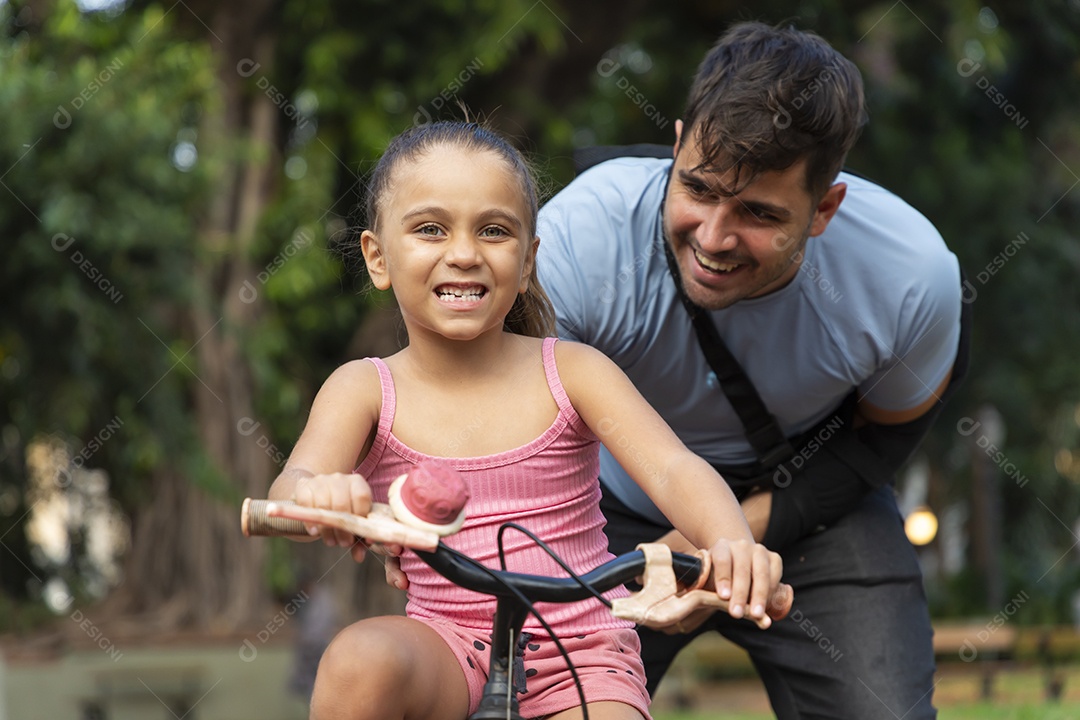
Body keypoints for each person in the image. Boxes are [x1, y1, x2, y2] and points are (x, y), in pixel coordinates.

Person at [267, 120, 787, 720]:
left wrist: (731, 544)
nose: (464, 254)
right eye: (431, 229)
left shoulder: (572, 371)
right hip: (448, 642)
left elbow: (673, 469)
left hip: (585, 651)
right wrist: (318, 495)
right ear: (377, 258)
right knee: (359, 660)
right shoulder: (363, 389)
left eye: (493, 231)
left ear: (527, 261)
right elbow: (292, 485)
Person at [535, 21, 967, 720]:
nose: (713, 239)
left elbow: (879, 440)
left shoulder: (909, 278)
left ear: (823, 208)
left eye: (757, 213)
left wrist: (717, 534)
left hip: (807, 508)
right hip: (605, 511)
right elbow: (509, 424)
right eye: (698, 189)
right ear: (677, 144)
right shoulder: (581, 237)